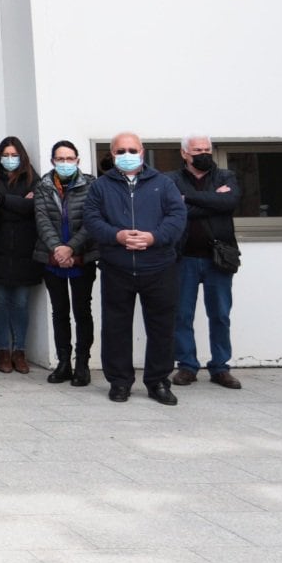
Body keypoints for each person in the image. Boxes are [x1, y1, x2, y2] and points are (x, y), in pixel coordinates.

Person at [84, 132, 188, 405]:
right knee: (115, 328)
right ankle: (119, 382)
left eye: (132, 149)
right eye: (121, 150)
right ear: (112, 153)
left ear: (142, 152)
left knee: (162, 328)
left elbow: (177, 217)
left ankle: (158, 382)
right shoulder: (100, 187)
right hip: (116, 268)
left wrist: (154, 237)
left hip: (159, 267)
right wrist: (116, 235)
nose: (127, 154)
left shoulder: (164, 184)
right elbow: (92, 220)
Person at [171, 135, 243, 390]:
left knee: (220, 314)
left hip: (219, 258)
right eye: (197, 150)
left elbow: (230, 202)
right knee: (182, 315)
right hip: (184, 258)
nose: (203, 154)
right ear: (184, 153)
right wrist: (214, 201)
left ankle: (220, 367)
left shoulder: (225, 176)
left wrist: (188, 198)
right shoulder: (171, 180)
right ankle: (187, 366)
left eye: (207, 149)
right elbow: (175, 211)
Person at [33, 141, 96, 387]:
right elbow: (42, 220)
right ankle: (63, 363)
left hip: (83, 257)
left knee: (82, 311)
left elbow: (92, 221)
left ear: (78, 160)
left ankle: (82, 363)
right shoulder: (43, 186)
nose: (65, 163)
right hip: (53, 259)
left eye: (70, 158)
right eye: (60, 159)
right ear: (52, 161)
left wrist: (72, 247)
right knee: (60, 311)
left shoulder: (91, 185)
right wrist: (59, 249)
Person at [0, 137, 41, 375]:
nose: (9, 159)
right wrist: (19, 204)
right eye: (5, 155)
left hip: (25, 251)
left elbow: (35, 208)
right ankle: (3, 351)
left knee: (20, 303)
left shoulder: (33, 180)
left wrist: (4, 201)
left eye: (13, 154)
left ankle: (20, 351)